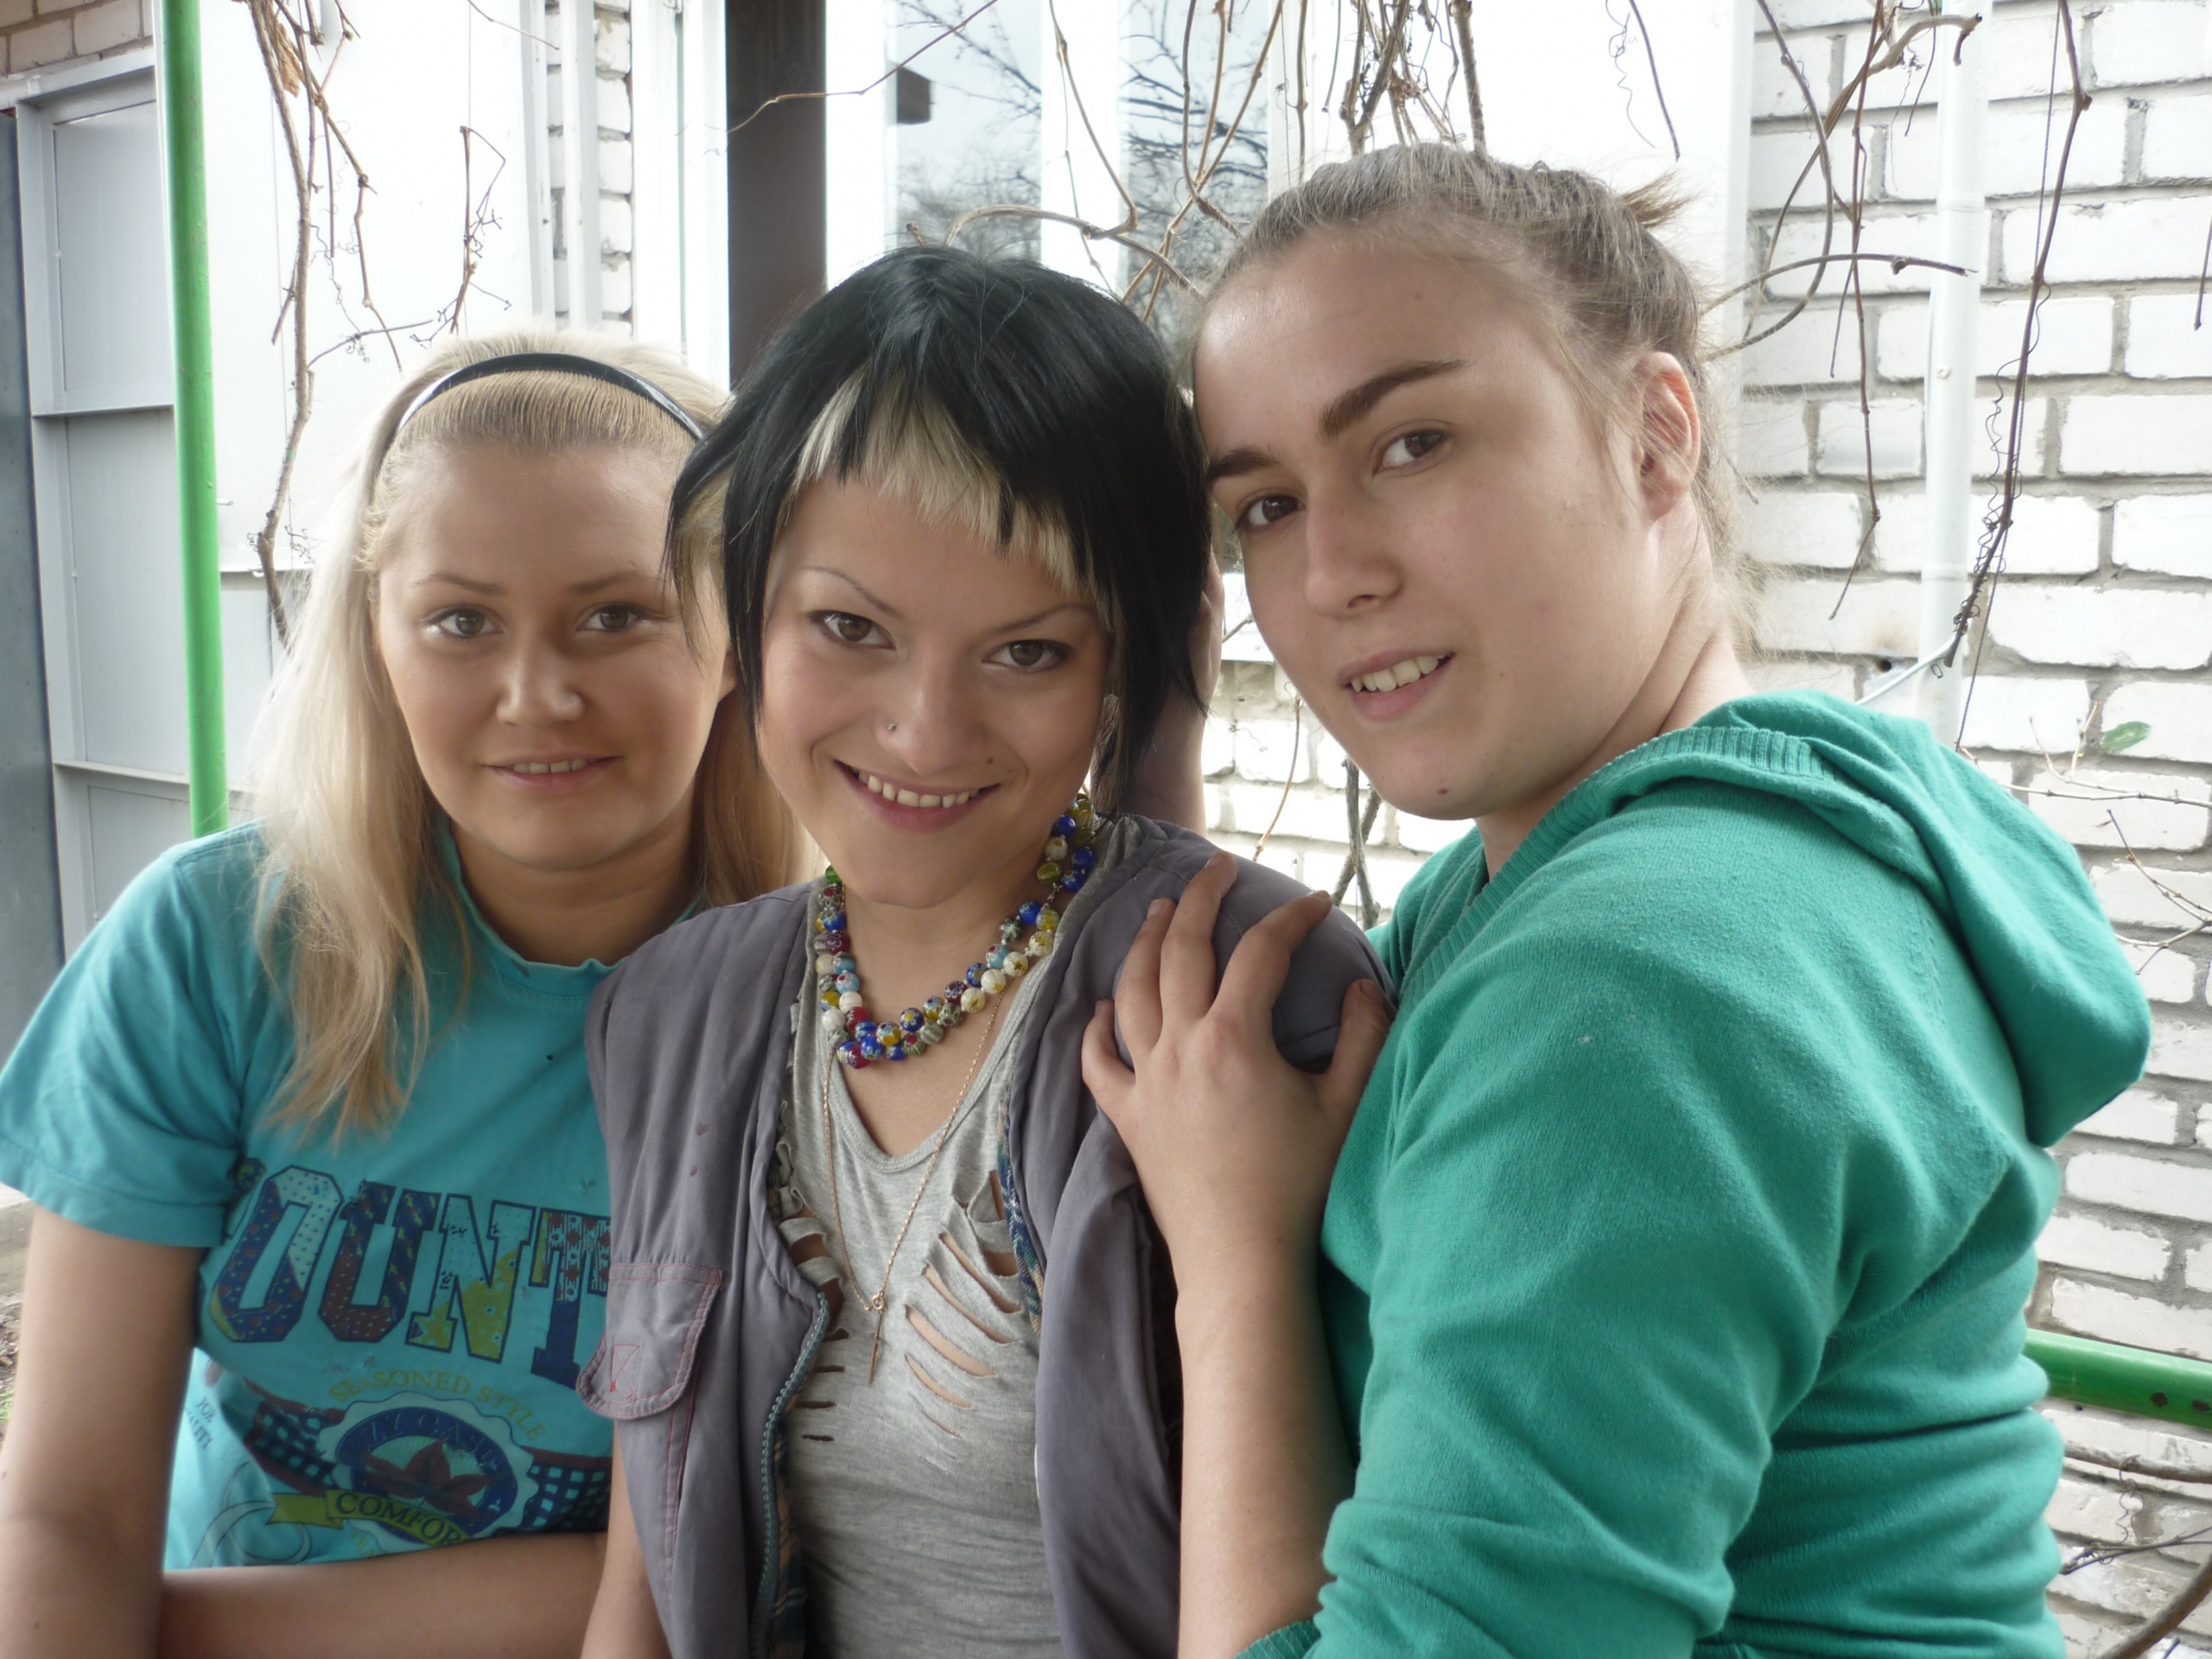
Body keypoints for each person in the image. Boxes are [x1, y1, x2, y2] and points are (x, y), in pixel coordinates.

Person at [1085, 143, 2153, 1659]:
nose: (1329, 573)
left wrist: (1235, 1263)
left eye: (1412, 444)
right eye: (1261, 505)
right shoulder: (1740, 850)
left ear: (1656, 439)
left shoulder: (1630, 979)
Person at [574, 245, 1389, 1659]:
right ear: (743, 614)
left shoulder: (1263, 1007)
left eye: (1027, 652)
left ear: (1126, 659)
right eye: (850, 628)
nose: (925, 729)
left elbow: (1373, 1588)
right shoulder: (670, 1016)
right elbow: (644, 1579)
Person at [0, 330, 799, 1659]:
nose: (537, 694)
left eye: (617, 614)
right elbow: (68, 1516)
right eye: (461, 621)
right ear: (378, 641)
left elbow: (701, 1564)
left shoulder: (822, 1012)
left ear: (736, 643)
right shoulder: (214, 947)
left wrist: (181, 1632)